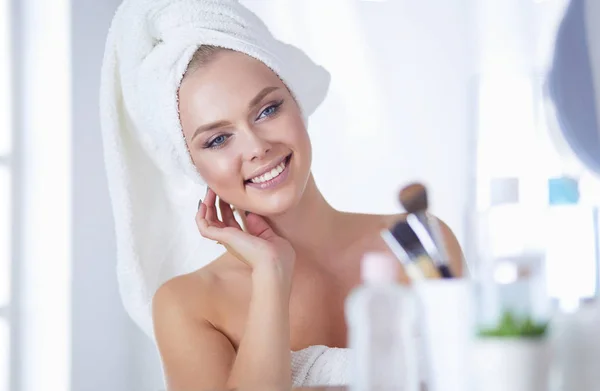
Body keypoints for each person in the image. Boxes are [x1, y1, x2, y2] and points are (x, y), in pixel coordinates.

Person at [100, 2, 463, 390]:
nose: (257, 147)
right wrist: (271, 274)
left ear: (297, 103)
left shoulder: (419, 242)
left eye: (268, 110)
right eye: (218, 139)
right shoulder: (189, 304)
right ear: (192, 164)